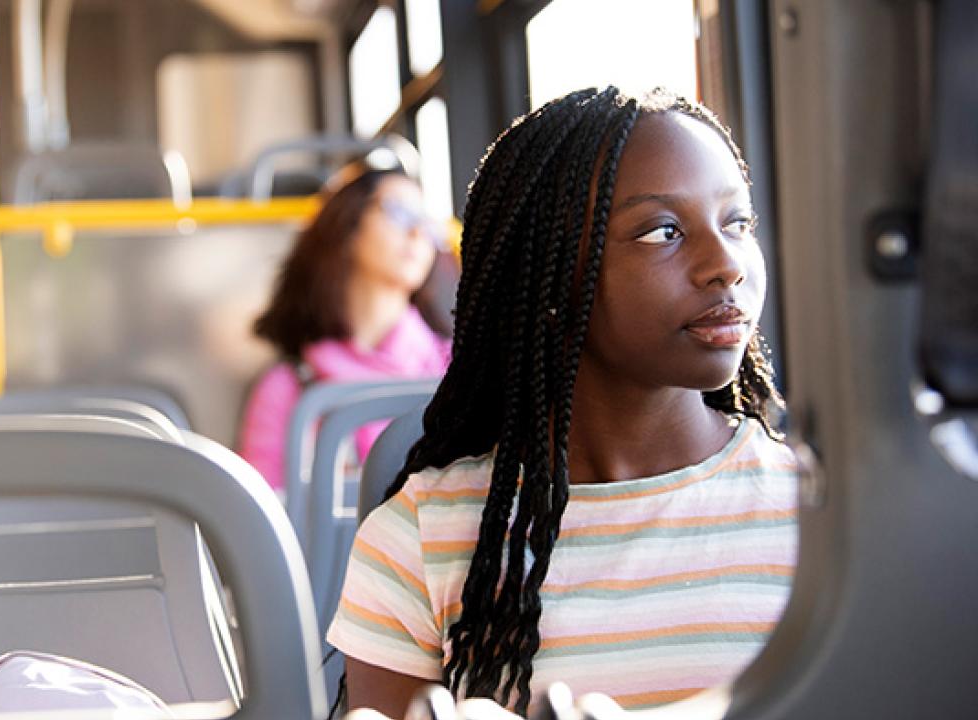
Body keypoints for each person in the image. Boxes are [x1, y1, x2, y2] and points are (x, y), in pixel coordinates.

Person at [326, 87, 798, 717]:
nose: (726, 264)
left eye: (737, 224)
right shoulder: (419, 538)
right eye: (663, 231)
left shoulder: (822, 511)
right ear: (546, 279)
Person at [238, 165, 453, 495]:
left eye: (426, 223)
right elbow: (264, 525)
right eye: (399, 212)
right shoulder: (288, 387)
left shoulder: (455, 368)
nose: (417, 233)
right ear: (347, 226)